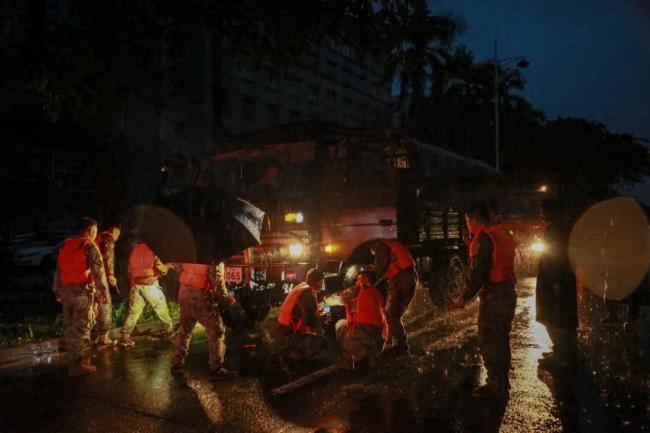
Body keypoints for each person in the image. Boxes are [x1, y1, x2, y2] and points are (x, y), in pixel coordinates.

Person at [453, 202, 517, 396]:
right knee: (501, 337)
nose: (467, 225)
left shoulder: (484, 238)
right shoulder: (502, 233)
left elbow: (479, 272)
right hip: (507, 291)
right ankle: (502, 380)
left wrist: (464, 297)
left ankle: (495, 384)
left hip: (494, 296)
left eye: (467, 221)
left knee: (489, 338)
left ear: (476, 220)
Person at [53, 217, 109, 376]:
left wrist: (57, 289)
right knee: (83, 327)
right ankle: (79, 365)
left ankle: (73, 361)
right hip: (82, 293)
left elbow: (58, 270)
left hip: (66, 292)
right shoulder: (90, 246)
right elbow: (98, 271)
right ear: (91, 230)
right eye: (95, 231)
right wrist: (102, 292)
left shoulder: (65, 244)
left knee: (70, 327)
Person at [172, 262, 238, 380]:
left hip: (183, 291)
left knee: (185, 330)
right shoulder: (212, 254)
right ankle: (216, 368)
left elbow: (179, 268)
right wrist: (226, 297)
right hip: (200, 295)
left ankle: (177, 365)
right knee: (216, 329)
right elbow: (216, 281)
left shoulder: (188, 249)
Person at [536, 198, 578, 369]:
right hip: (563, 279)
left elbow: (553, 258)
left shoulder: (555, 230)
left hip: (554, 281)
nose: (541, 214)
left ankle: (561, 356)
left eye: (543, 211)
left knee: (553, 317)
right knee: (560, 316)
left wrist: (555, 282)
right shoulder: (564, 226)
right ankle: (561, 351)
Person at [119, 241, 174, 347]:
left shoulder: (134, 250)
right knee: (161, 305)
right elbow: (161, 268)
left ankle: (125, 336)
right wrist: (168, 266)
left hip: (136, 285)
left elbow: (129, 270)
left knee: (133, 313)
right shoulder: (152, 250)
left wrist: (133, 284)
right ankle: (169, 329)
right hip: (149, 284)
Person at [371, 239, 417, 356]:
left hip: (401, 281)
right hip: (408, 279)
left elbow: (379, 268)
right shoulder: (390, 245)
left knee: (392, 315)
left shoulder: (381, 247)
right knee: (392, 314)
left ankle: (402, 347)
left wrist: (368, 281)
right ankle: (392, 342)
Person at [276, 268, 328, 371]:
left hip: (283, 330)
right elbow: (310, 320)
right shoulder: (308, 294)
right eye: (322, 282)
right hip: (289, 335)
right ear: (320, 281)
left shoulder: (302, 288)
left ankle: (293, 356)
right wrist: (321, 323)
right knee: (323, 341)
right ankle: (293, 358)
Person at [335, 268, 385, 370]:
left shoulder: (358, 289)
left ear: (366, 280)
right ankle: (373, 359)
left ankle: (350, 361)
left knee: (341, 325)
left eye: (358, 279)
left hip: (364, 330)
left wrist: (323, 302)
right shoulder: (377, 294)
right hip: (378, 332)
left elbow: (337, 298)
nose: (356, 282)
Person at [94, 225, 121, 346]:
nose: (117, 238)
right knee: (105, 305)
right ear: (115, 231)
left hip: (89, 277)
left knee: (93, 306)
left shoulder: (98, 238)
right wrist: (110, 274)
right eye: (118, 235)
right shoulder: (108, 239)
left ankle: (89, 337)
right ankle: (103, 338)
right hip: (100, 276)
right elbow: (108, 257)